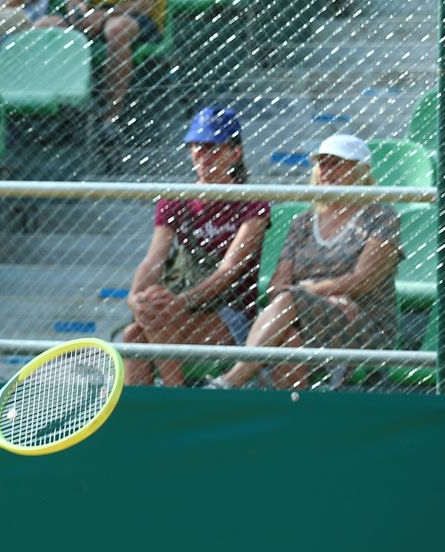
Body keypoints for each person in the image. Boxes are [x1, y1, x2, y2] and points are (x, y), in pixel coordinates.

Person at [210, 134, 402, 390]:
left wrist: (309, 291)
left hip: (360, 321)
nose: (327, 171)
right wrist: (322, 297)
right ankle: (291, 412)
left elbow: (363, 280)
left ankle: (230, 382)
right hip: (303, 318)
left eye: (337, 163)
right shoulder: (302, 223)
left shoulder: (381, 218)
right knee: (288, 337)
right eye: (323, 163)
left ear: (361, 171)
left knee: (290, 301)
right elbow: (277, 286)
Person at [121, 106, 267, 387]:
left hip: (231, 308)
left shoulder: (252, 202)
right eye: (196, 146)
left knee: (157, 324)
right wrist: (134, 297)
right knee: (132, 334)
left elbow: (229, 270)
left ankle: (176, 399)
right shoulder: (177, 199)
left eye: (213, 147)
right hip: (183, 302)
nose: (202, 154)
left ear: (235, 153)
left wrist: (181, 303)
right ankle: (149, 408)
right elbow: (154, 260)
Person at [32, 0, 163, 127]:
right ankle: (45, 110)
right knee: (42, 26)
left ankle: (110, 119)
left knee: (117, 29)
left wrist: (104, 15)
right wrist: (78, 15)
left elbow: (144, 5)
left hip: (134, 15)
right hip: (93, 14)